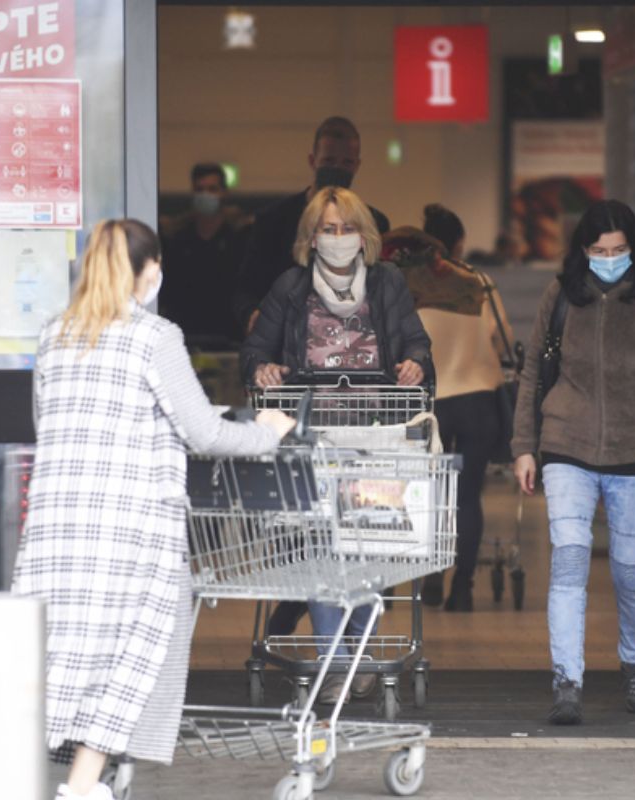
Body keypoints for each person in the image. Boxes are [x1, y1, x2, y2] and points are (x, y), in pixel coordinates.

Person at [11, 219, 295, 800]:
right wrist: (267, 432)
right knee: (130, 650)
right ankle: (81, 787)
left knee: (66, 650)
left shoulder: (53, 334)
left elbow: (46, 422)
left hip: (56, 525)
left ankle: (75, 779)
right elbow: (204, 432)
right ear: (148, 271)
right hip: (130, 524)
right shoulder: (153, 336)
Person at [510, 200, 635, 725]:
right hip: (566, 444)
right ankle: (566, 680)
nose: (610, 258)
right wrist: (525, 446)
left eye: (619, 250)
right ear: (584, 250)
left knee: (630, 571)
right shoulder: (561, 294)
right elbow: (533, 376)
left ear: (633, 247)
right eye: (599, 250)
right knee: (569, 562)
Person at [241, 187, 432, 703]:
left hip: (375, 435)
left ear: (364, 236)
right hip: (312, 439)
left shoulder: (388, 284)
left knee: (367, 547)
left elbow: (417, 343)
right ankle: (335, 660)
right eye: (329, 229)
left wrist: (415, 364)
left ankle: (361, 651)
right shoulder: (290, 288)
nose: (339, 238)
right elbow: (255, 350)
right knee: (320, 549)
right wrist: (263, 368)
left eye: (348, 229)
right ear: (311, 237)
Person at [381, 204, 515, 611]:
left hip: (428, 403)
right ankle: (463, 589)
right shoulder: (478, 282)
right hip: (479, 400)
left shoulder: (407, 284)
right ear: (457, 244)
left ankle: (433, 574)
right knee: (467, 495)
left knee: (426, 492)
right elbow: (502, 337)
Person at [234, 116, 391, 332]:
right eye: (329, 161)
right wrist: (253, 315)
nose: (337, 168)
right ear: (312, 160)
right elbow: (246, 289)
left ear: (357, 165)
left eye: (346, 162)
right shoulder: (273, 220)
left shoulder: (375, 222)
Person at [157, 163, 250, 347]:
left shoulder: (240, 239)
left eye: (212, 189)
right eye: (199, 189)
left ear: (224, 193)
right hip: (184, 335)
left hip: (229, 336)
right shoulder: (177, 239)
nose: (205, 195)